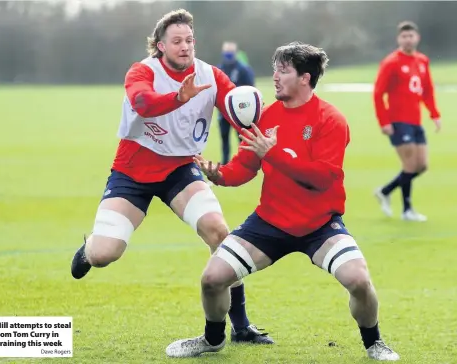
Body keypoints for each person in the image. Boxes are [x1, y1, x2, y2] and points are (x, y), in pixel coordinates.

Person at [165, 41, 400, 361]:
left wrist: (272, 153)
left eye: (283, 70)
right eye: (275, 68)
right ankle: (213, 339)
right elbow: (245, 167)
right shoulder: (265, 117)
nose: (274, 76)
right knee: (212, 279)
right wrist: (219, 174)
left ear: (305, 78)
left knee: (359, 281)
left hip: (320, 225)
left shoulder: (331, 119)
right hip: (270, 222)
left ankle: (374, 343)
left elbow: (322, 179)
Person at [69, 9, 273, 345]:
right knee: (106, 253)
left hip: (180, 168)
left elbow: (240, 116)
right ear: (160, 46)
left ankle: (241, 326)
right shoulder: (141, 71)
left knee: (219, 232)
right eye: (176, 41)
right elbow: (143, 103)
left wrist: (254, 126)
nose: (185, 46)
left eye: (189, 40)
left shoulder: (211, 76)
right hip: (133, 170)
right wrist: (178, 97)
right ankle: (87, 249)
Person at [373, 21, 441, 222]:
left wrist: (434, 114)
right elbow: (378, 93)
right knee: (410, 165)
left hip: (415, 121)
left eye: (411, 36)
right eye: (404, 36)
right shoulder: (391, 62)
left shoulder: (422, 61)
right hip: (398, 121)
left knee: (422, 165)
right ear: (399, 39)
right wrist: (384, 121)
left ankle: (385, 191)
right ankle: (407, 210)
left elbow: (427, 91)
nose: (408, 39)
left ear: (417, 37)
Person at [216, 41, 255, 164]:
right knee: (224, 138)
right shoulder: (219, 68)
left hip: (240, 111)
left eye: (230, 52)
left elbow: (251, 88)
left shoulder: (243, 69)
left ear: (235, 53)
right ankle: (225, 162)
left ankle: (244, 161)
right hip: (223, 111)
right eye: (226, 52)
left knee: (241, 138)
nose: (228, 55)